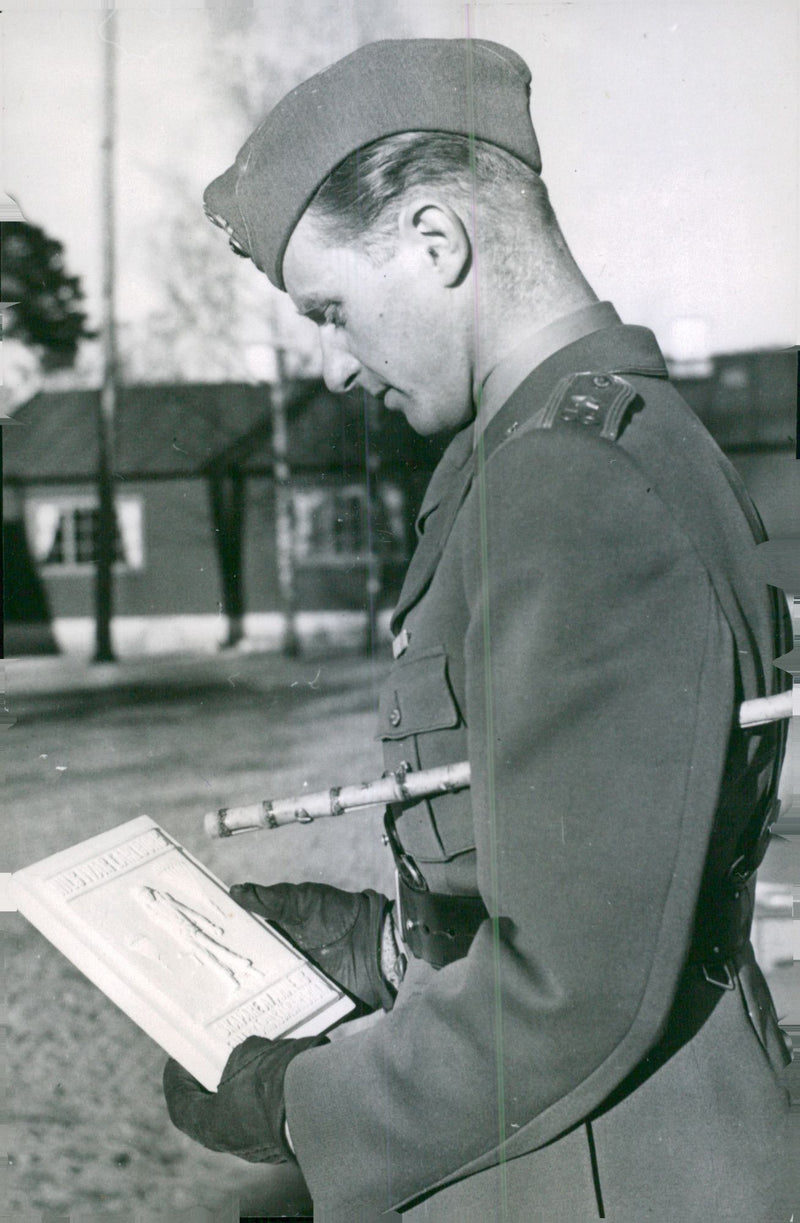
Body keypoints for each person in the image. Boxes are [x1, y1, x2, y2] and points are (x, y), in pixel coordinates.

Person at [162, 38, 795, 1220]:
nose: (339, 368)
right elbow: (587, 864)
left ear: (436, 240)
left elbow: (571, 985)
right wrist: (369, 940)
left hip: (610, 1173)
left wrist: (297, 1103)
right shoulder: (551, 456)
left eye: (334, 310)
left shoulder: (571, 484)